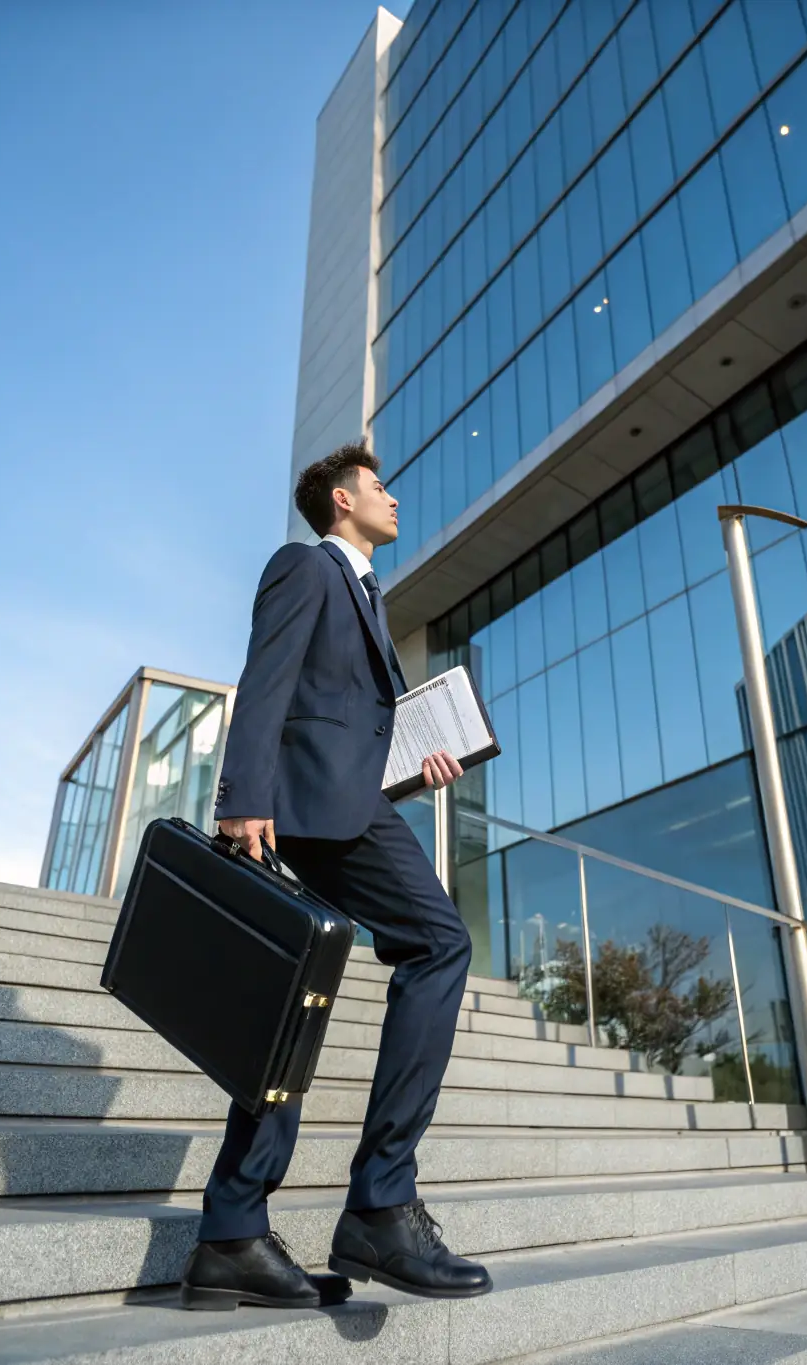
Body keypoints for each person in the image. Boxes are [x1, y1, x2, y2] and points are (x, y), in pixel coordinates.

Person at [180, 439, 491, 1311]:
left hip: (345, 806)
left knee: (292, 1008)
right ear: (342, 501)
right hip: (299, 812)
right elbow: (267, 680)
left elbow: (346, 726)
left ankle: (229, 1234)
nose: (393, 497)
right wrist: (241, 797)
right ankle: (381, 1204)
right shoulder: (307, 567)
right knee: (438, 944)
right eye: (380, 486)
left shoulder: (366, 596)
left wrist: (414, 762)